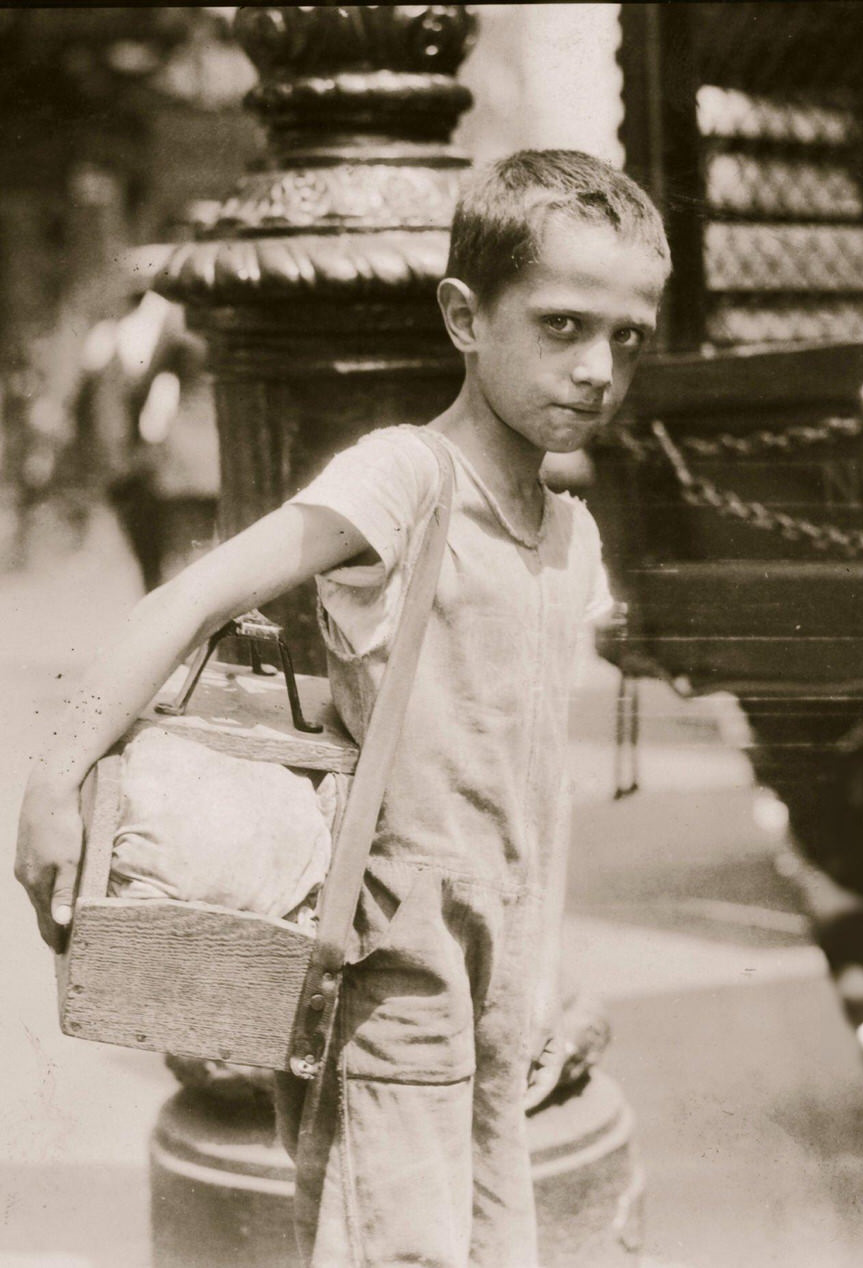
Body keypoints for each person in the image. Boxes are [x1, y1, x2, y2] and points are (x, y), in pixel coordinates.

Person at [14, 148, 671, 1266]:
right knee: (398, 1247)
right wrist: (53, 779)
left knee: (494, 1242)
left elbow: (526, 772)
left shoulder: (569, 530)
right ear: (464, 316)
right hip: (393, 961)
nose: (597, 366)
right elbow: (192, 595)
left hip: (505, 968)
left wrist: (543, 956)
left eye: (626, 336)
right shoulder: (405, 479)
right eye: (561, 326)